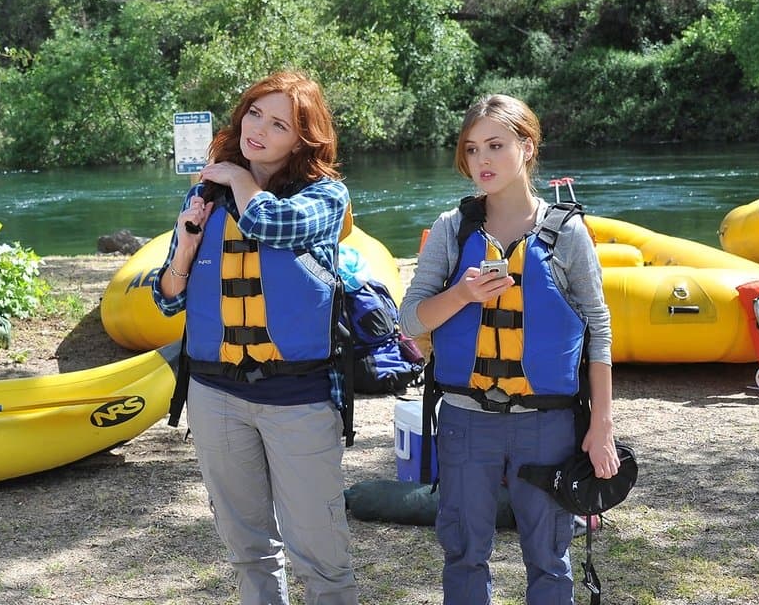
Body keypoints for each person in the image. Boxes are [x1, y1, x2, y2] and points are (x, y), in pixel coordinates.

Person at [398, 95, 619, 604]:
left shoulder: (567, 234)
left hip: (547, 423)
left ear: (527, 148)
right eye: (472, 149)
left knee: (549, 557)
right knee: (463, 553)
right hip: (465, 418)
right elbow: (409, 320)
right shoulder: (452, 229)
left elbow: (599, 331)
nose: (482, 160)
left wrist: (602, 426)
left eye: (495, 146)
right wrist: (462, 294)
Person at [153, 70, 358, 605]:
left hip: (299, 397)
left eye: (279, 124)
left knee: (320, 555)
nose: (258, 129)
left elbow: (271, 225)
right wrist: (185, 248)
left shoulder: (326, 197)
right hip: (216, 394)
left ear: (303, 140)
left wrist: (238, 178)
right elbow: (168, 298)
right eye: (254, 114)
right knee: (247, 549)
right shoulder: (206, 195)